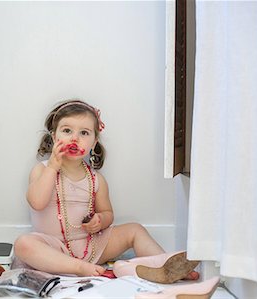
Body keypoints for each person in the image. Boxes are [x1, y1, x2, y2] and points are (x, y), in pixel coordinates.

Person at [13, 99, 199, 280]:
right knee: (24, 244)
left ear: (94, 143)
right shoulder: (42, 169)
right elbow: (37, 202)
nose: (75, 138)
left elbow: (108, 213)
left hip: (90, 246)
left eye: (84, 133)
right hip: (53, 249)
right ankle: (78, 268)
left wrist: (99, 220)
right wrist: (53, 167)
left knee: (134, 229)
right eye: (67, 131)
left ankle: (167, 267)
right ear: (54, 137)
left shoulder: (96, 180)